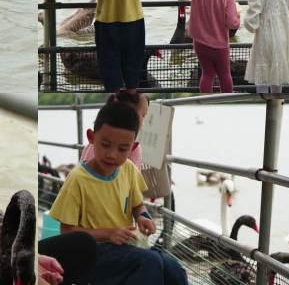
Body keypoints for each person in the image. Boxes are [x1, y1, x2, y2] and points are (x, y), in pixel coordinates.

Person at [50, 102, 187, 284]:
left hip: (125, 246)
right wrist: (109, 234)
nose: (112, 155)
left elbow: (137, 205)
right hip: (93, 253)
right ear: (91, 137)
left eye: (122, 149)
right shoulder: (77, 179)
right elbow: (67, 233)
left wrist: (143, 217)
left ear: (133, 147)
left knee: (174, 269)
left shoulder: (129, 169)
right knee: (149, 262)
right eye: (105, 145)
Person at [179, 0, 241, 93]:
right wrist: (238, 17)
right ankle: (226, 102)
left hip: (199, 42)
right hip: (220, 45)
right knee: (224, 75)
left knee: (207, 74)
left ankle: (206, 103)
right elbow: (232, 23)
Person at [80, 91, 149, 168]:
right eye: (143, 115)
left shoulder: (94, 143)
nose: (112, 155)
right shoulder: (134, 149)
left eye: (122, 149)